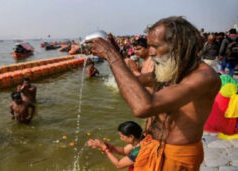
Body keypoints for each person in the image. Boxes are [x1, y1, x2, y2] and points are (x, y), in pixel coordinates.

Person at [86, 16, 220, 171]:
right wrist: (119, 57)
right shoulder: (173, 70)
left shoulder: (204, 77)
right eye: (149, 46)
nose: (151, 52)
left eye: (155, 46)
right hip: (151, 145)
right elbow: (135, 81)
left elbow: (143, 107)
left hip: (175, 156)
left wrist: (112, 56)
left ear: (179, 46)